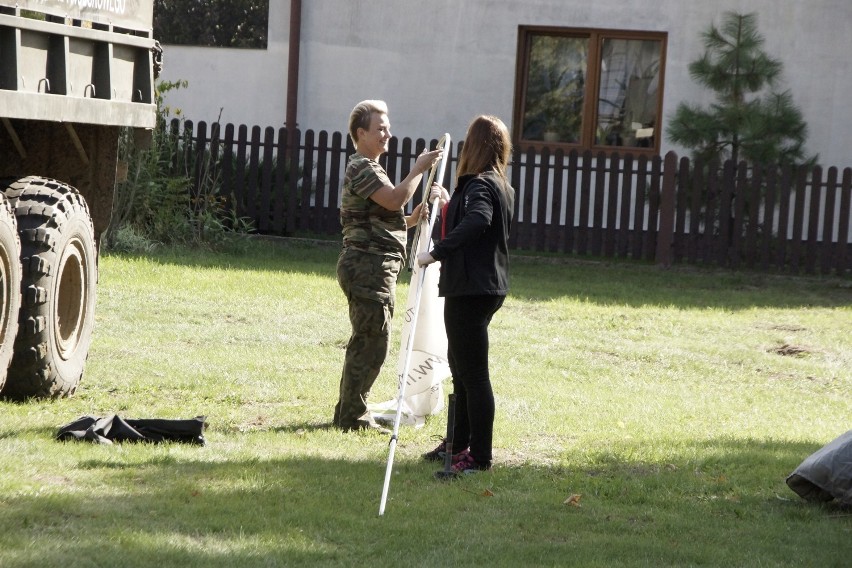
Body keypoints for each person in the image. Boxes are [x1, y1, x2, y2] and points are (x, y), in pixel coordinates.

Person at [333, 100, 443, 433]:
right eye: (380, 128)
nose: (387, 134)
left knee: (369, 341)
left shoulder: (371, 168)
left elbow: (384, 216)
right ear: (360, 133)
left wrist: (411, 219)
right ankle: (352, 417)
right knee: (371, 342)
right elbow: (394, 199)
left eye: (388, 127)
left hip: (374, 265)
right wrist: (418, 170)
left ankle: (350, 413)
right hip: (367, 266)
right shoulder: (361, 167)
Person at [417, 115, 515, 475]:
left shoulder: (479, 186)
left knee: (472, 374)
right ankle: (457, 443)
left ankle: (479, 457)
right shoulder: (497, 184)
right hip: (485, 287)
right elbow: (470, 217)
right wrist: (447, 204)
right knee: (460, 368)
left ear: (472, 147)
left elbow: (478, 221)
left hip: (471, 288)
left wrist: (436, 252)